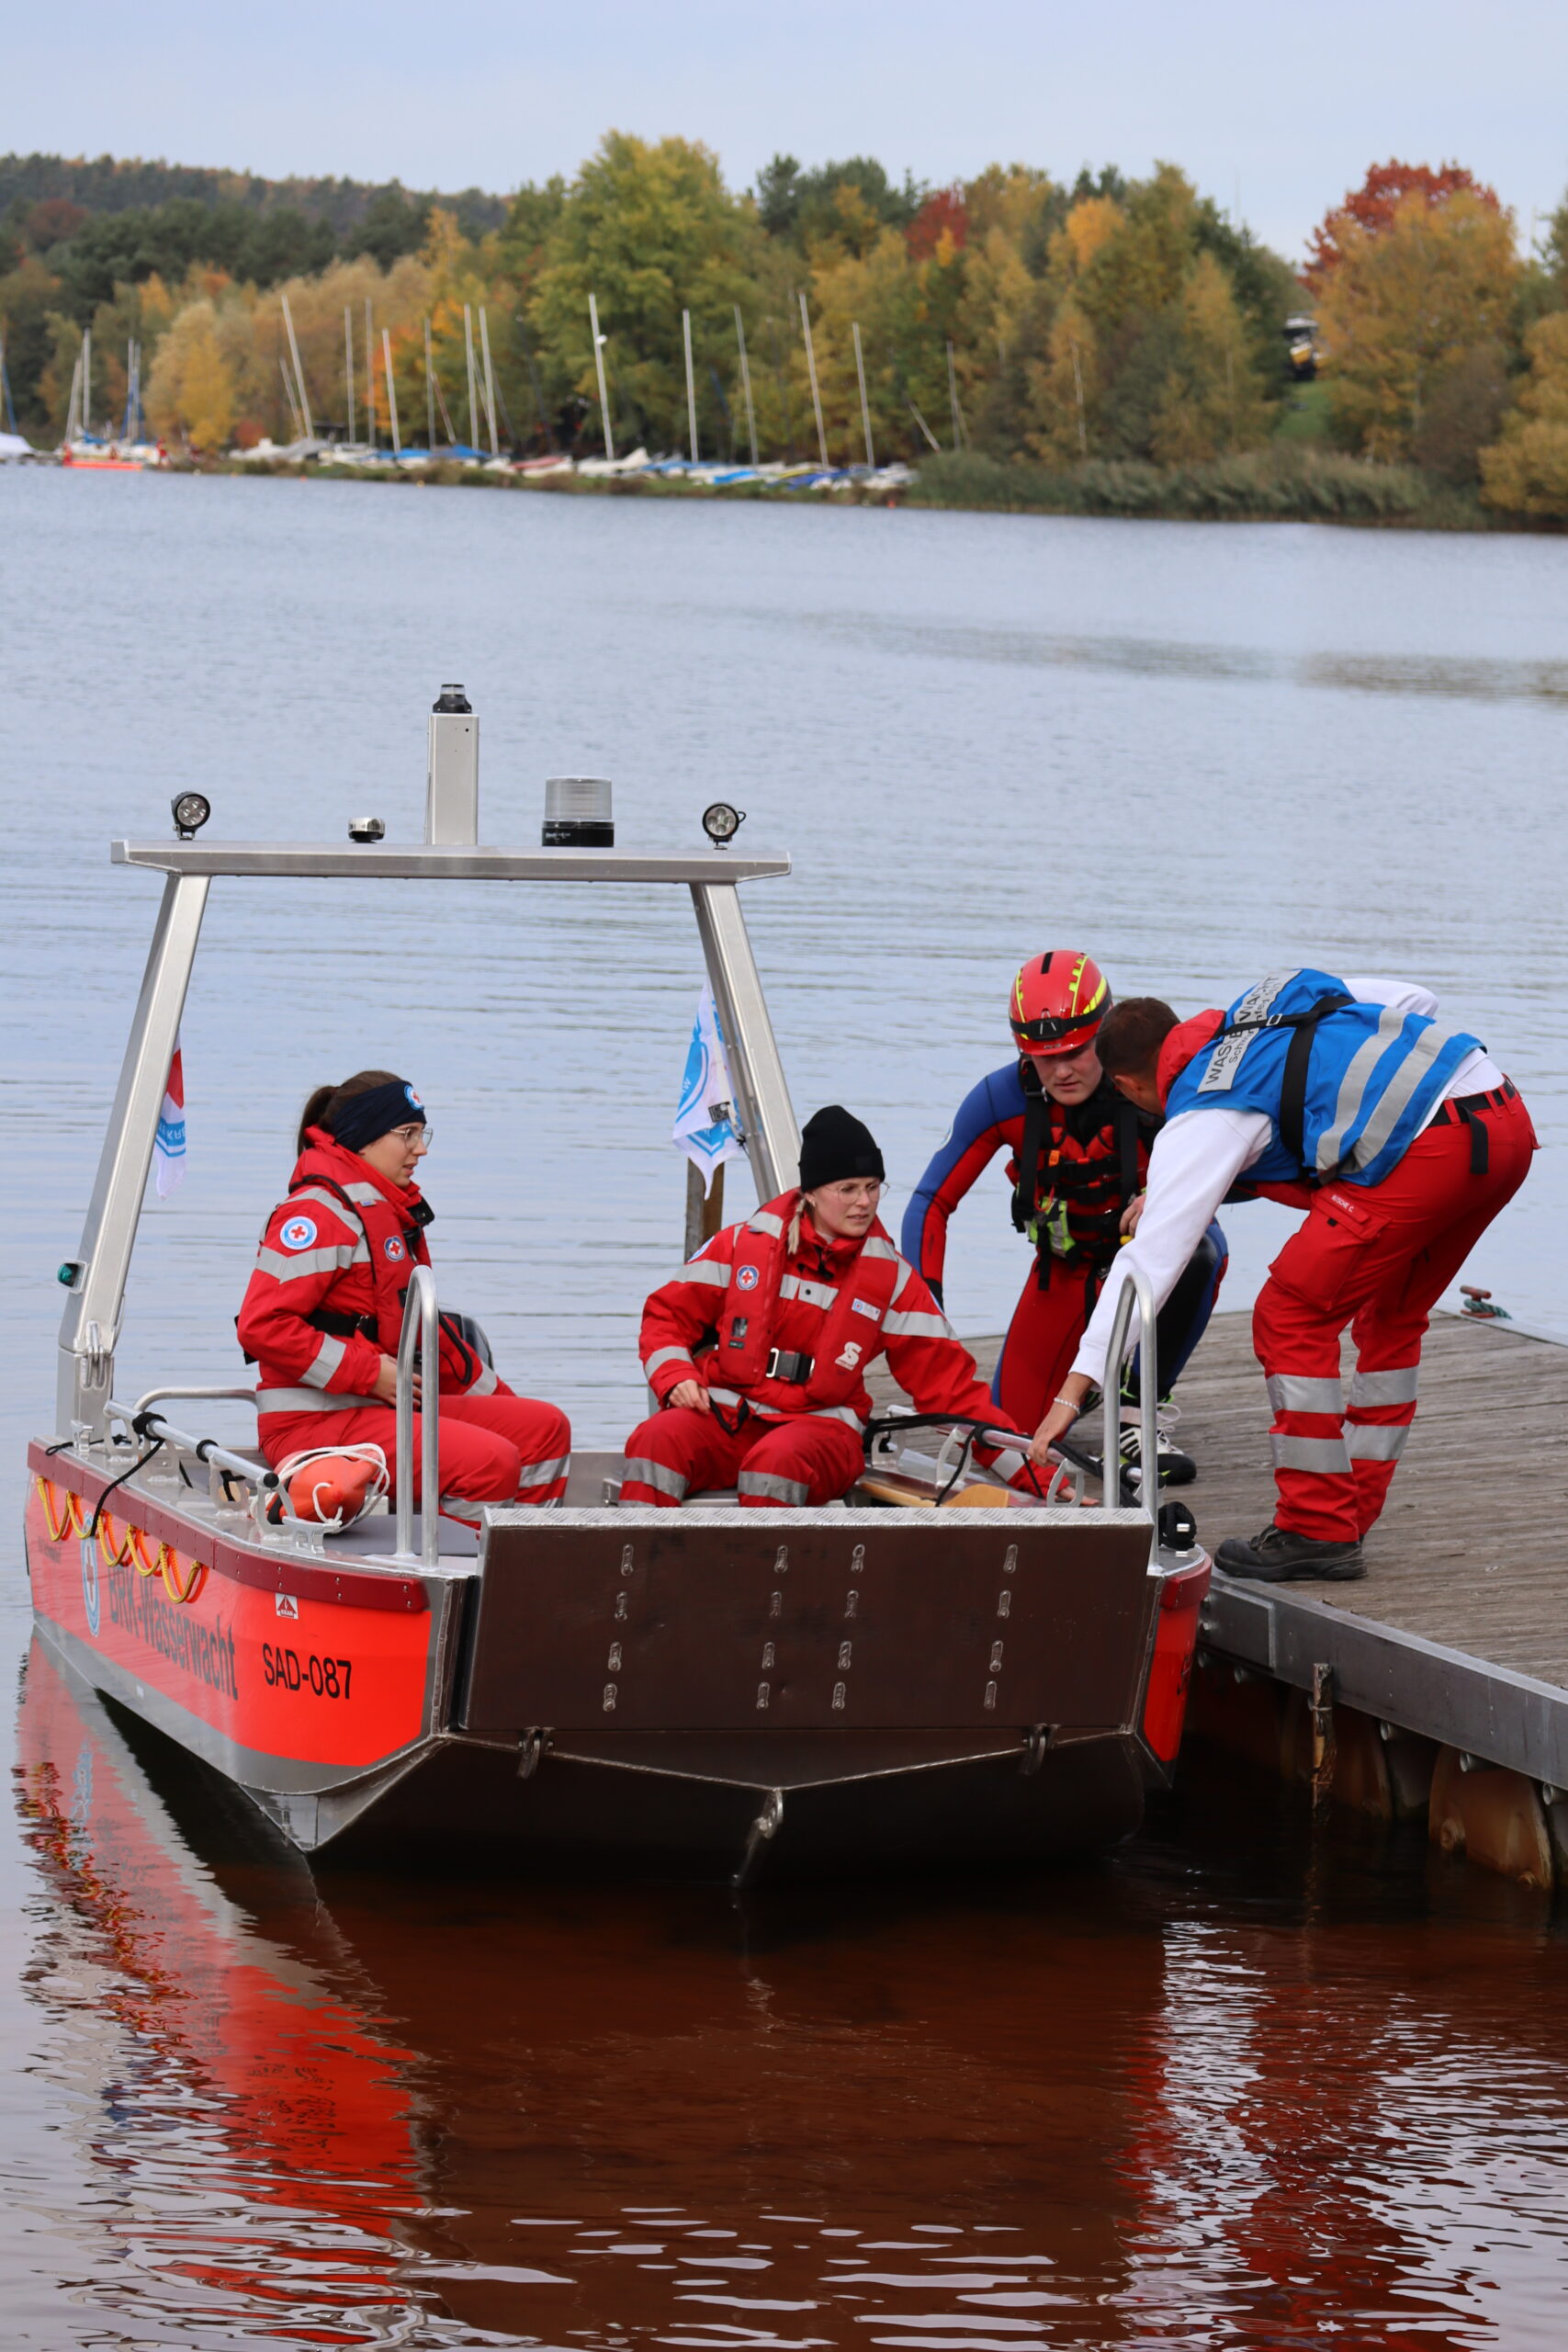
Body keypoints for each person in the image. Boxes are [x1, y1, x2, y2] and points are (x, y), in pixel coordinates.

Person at [1028, 974, 1537, 1581]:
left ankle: (1315, 1527)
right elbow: (1416, 1000)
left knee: (1289, 1313)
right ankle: (1347, 1516)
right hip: (1502, 1117)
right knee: (1392, 1314)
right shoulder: (1262, 1004)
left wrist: (1074, 1389)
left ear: (1127, 1085)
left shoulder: (1201, 1109)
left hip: (1430, 1151)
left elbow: (1147, 1263)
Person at [901, 950, 1227, 1488]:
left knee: (1202, 1248)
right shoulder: (998, 1098)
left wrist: (1169, 1198)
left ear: (1105, 1030)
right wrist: (927, 1316)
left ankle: (1135, 1412)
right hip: (1064, 1272)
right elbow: (930, 1203)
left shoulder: (1152, 1086)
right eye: (1043, 1057)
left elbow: (1231, 1171)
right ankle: (1090, 1379)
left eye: (1076, 1051)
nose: (1062, 1070)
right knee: (1008, 1436)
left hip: (1144, 1272)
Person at [621, 1105, 1021, 1509]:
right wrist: (674, 1376)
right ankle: (634, 1564)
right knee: (654, 1441)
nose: (864, 1202)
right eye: (847, 1189)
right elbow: (666, 1316)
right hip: (728, 1417)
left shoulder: (894, 1282)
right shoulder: (740, 1246)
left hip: (821, 1433)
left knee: (776, 1463)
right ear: (809, 1193)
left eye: (873, 1186)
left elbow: (952, 1392)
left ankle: (756, 1570)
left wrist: (1033, 1473)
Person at [237, 1069, 570, 1515]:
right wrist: (368, 1374)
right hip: (313, 1421)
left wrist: (501, 1403)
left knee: (544, 1429)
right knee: (491, 1462)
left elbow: (422, 1334)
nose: (422, 1148)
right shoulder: (316, 1216)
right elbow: (262, 1328)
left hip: (374, 1405)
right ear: (364, 1137)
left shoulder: (384, 1211)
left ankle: (529, 1562)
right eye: (408, 1134)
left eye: (421, 1133)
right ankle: (473, 1579)